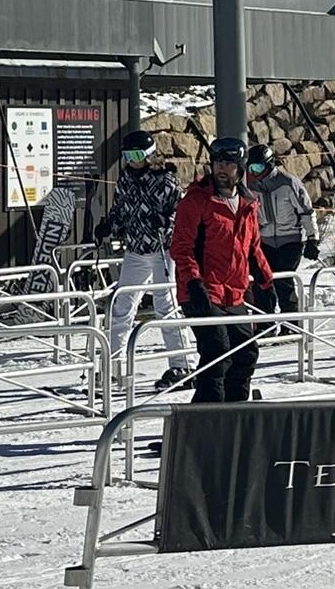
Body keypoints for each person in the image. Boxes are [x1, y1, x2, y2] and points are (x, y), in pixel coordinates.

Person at [171, 134, 273, 403]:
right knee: (217, 350)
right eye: (217, 162)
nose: (221, 169)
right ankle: (204, 423)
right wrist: (194, 282)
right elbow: (181, 248)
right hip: (200, 290)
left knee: (246, 352)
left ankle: (235, 415)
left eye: (228, 164)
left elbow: (252, 247)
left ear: (240, 168)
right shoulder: (196, 202)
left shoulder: (247, 204)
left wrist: (266, 281)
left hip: (233, 293)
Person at [97, 130, 194, 393]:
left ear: (150, 155)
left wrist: (165, 222)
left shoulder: (166, 180)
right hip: (136, 251)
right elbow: (120, 210)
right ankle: (113, 368)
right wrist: (109, 225)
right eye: (128, 156)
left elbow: (181, 213)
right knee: (122, 304)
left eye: (137, 155)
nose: (132, 160)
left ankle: (182, 364)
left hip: (163, 249)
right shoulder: (125, 179)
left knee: (166, 305)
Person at [248, 143, 318, 327]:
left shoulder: (288, 182)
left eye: (259, 167)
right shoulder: (251, 187)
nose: (255, 173)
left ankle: (291, 325)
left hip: (290, 240)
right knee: (262, 282)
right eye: (251, 168)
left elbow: (306, 211)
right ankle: (266, 326)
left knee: (283, 280)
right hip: (265, 241)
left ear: (270, 164)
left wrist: (312, 239)